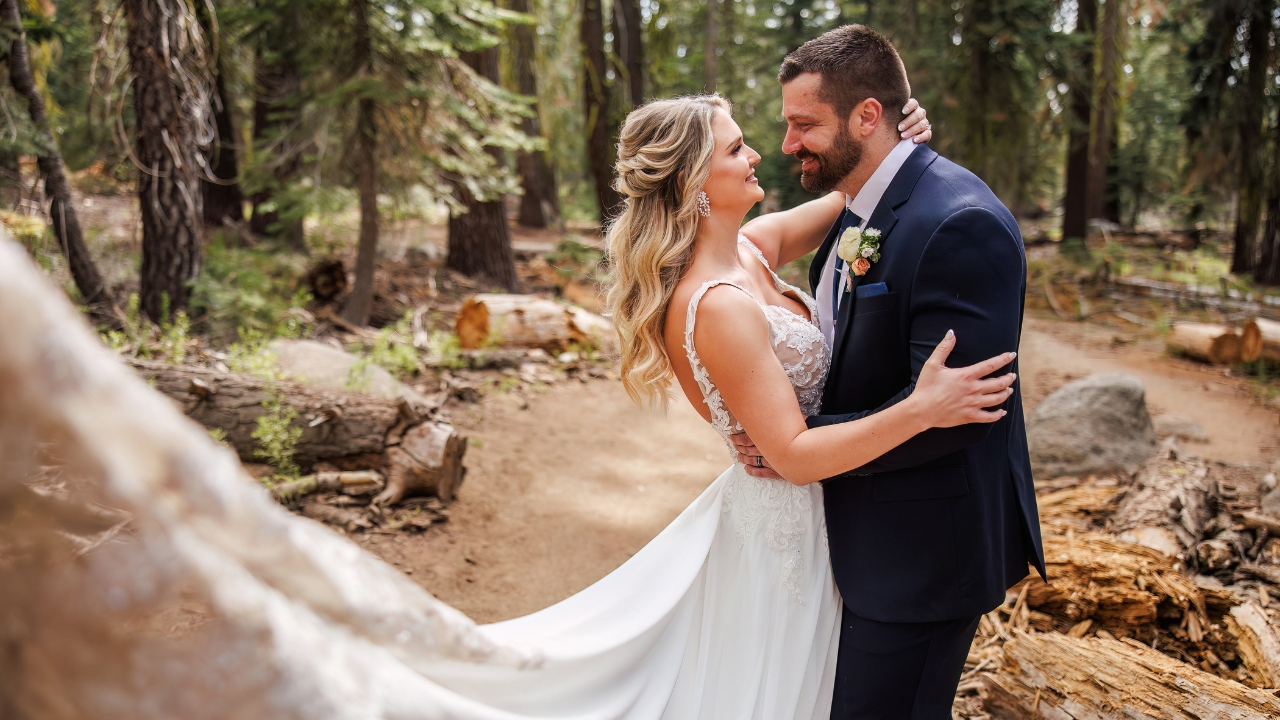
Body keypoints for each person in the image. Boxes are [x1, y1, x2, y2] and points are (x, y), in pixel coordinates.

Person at [732, 24, 1046, 719]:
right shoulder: (861, 203)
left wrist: (798, 445)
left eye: (803, 124)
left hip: (921, 557)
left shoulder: (959, 224)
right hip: (855, 541)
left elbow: (959, 414)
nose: (786, 145)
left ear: (867, 116)